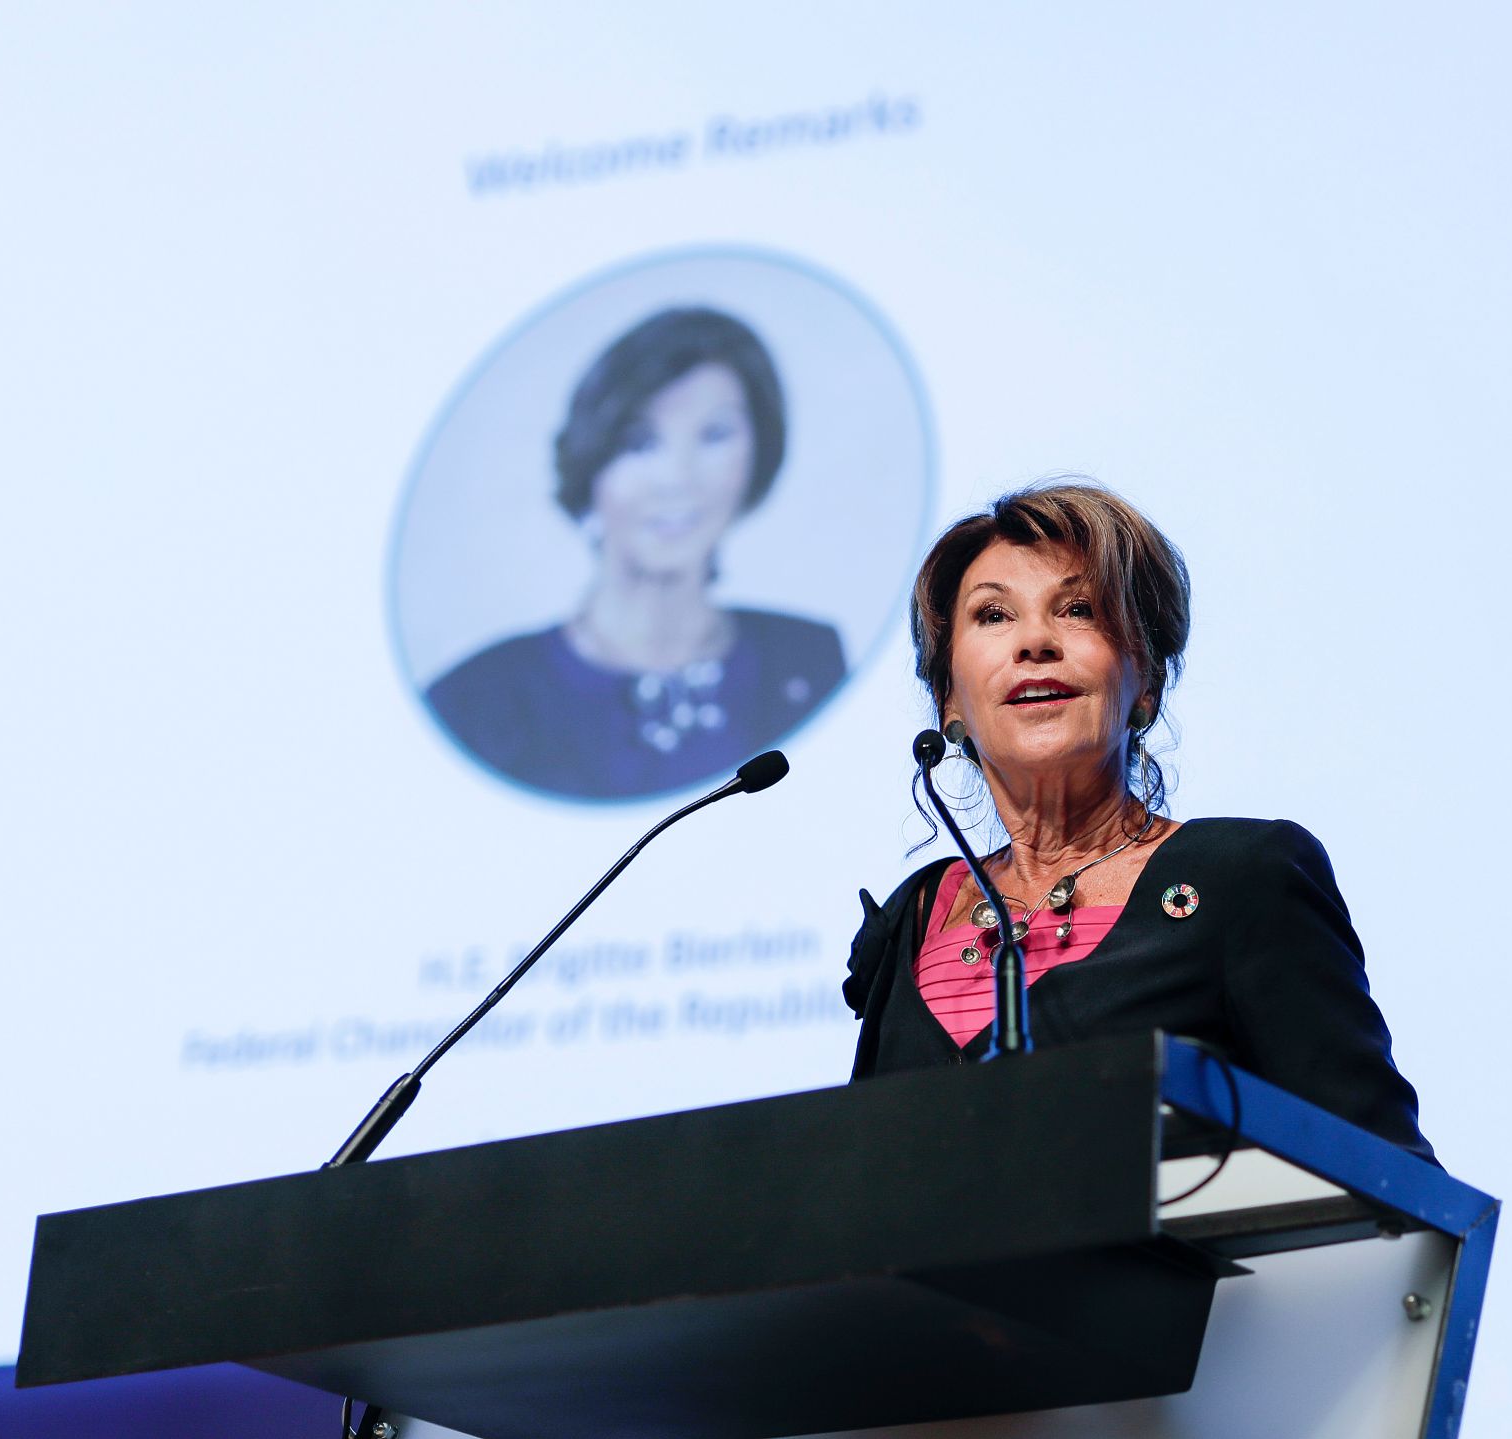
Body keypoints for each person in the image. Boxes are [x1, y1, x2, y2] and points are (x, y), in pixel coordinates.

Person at [843, 483, 1434, 1161]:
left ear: (1144, 680)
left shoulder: (1243, 877)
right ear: (948, 697)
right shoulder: (915, 917)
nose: (1035, 640)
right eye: (994, 615)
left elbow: (1388, 1179)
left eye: (1077, 609)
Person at [424, 307, 845, 800]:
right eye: (641, 443)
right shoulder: (477, 698)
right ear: (590, 460)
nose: (678, 478)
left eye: (715, 436)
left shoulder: (808, 658)